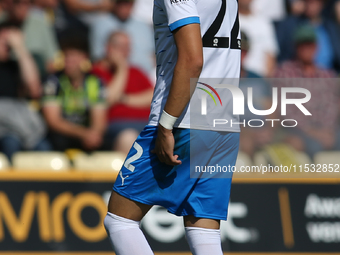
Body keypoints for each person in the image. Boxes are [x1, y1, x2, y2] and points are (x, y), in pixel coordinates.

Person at [103, 0, 241, 254]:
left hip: (184, 119)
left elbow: (192, 60)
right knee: (203, 229)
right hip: (224, 123)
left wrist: (166, 126)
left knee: (120, 220)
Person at [275, 25, 340, 158]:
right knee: (311, 145)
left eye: (309, 45)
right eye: (302, 45)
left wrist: (326, 130)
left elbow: (332, 105)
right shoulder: (285, 72)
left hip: (327, 129)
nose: (306, 49)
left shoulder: (327, 75)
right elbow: (285, 109)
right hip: (298, 130)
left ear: (316, 47)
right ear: (296, 47)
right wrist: (312, 132)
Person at [92, 31, 153, 155]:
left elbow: (154, 96)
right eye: (120, 47)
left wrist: (124, 98)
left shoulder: (137, 71)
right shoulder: (96, 73)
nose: (125, 52)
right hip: (117, 127)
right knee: (129, 138)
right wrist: (121, 68)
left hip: (148, 124)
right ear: (108, 47)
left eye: (127, 48)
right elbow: (108, 99)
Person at [42, 35, 106, 152]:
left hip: (87, 137)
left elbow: (99, 119)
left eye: (74, 58)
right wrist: (84, 134)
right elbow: (53, 121)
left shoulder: (95, 82)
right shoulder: (53, 81)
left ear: (85, 59)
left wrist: (93, 135)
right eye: (66, 57)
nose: (69, 63)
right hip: (61, 136)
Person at [0, 24, 50, 161]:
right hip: (4, 129)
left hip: (19, 125)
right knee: (11, 143)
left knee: (43, 148)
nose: (7, 45)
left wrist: (20, 49)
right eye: (4, 40)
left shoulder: (16, 66)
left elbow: (34, 89)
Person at [90, 0, 154, 78]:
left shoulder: (144, 26)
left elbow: (153, 56)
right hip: (114, 78)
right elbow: (98, 60)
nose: (124, 7)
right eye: (120, 3)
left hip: (145, 77)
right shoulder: (100, 24)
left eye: (127, 3)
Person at [276, 0, 340, 72]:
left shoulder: (331, 27)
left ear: (322, 4)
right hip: (299, 75)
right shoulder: (290, 24)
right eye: (307, 1)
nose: (311, 4)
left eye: (314, 2)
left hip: (328, 76)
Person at [0, 0, 60, 76]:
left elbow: (52, 62)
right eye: (18, 2)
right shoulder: (2, 22)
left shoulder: (41, 23)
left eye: (28, 3)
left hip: (37, 77)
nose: (24, 6)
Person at [239, 0, 279, 77]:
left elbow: (271, 55)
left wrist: (265, 83)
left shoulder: (263, 22)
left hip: (258, 79)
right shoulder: (229, 21)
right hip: (236, 77)